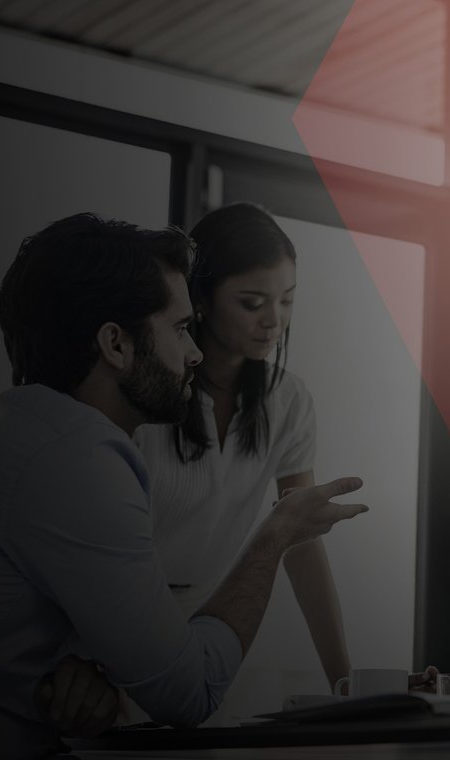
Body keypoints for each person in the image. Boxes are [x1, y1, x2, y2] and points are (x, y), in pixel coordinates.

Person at [0, 213, 368, 760]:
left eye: (286, 301)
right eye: (179, 328)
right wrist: (276, 533)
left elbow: (41, 608)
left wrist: (83, 667)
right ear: (115, 343)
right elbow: (188, 692)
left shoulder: (38, 435)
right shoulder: (82, 459)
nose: (193, 353)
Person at [132, 203, 352, 697]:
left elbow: (300, 541)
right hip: (116, 612)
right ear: (202, 299)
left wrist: (345, 680)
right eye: (252, 303)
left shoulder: (288, 399)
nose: (274, 321)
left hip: (215, 622)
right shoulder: (148, 392)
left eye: (287, 300)